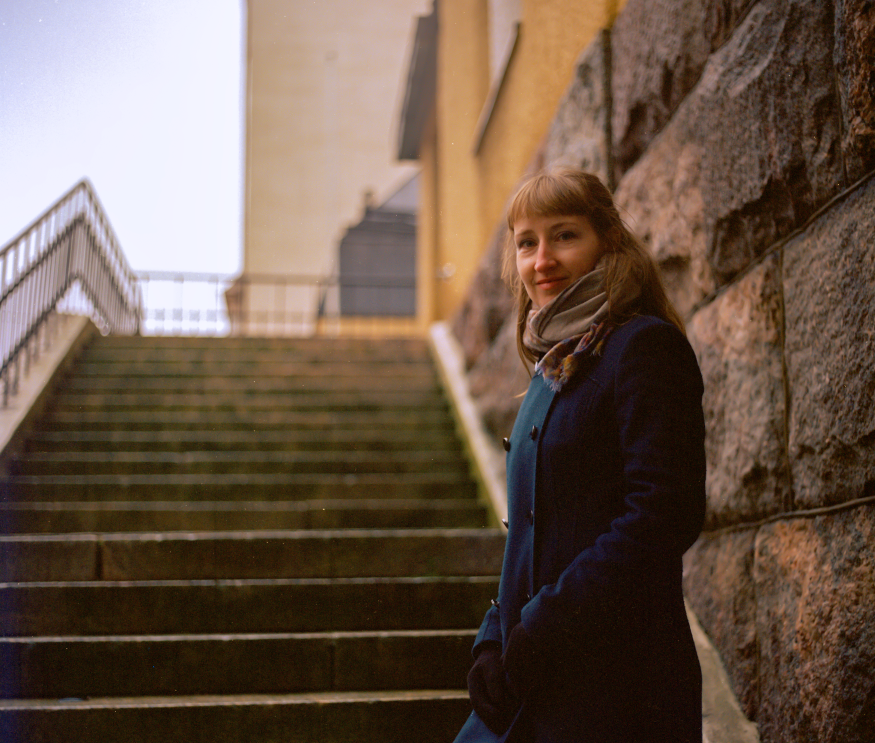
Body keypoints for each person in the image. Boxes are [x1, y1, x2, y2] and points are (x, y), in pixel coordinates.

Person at [454, 168, 706, 743]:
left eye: (564, 236)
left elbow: (664, 512)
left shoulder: (642, 347)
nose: (542, 259)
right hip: (532, 681)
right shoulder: (549, 372)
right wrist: (492, 639)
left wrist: (546, 624)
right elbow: (529, 530)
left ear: (607, 241)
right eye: (526, 242)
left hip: (616, 685)